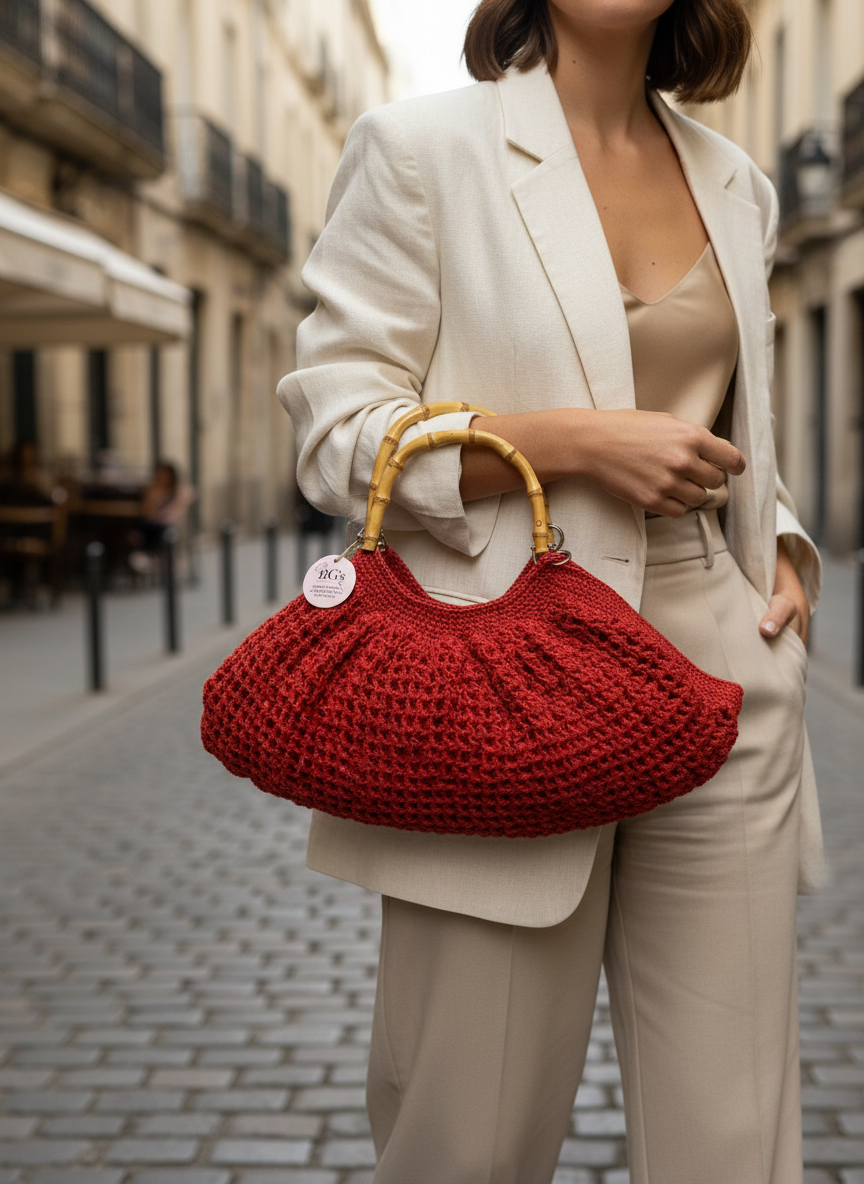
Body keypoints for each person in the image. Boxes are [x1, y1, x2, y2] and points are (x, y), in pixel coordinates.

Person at [278, 1, 823, 1180]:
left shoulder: (738, 183)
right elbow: (333, 434)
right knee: (468, 1134)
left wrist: (776, 541)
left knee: (736, 1137)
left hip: (721, 667)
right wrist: (566, 443)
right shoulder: (420, 150)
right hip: (496, 673)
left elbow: (729, 419)